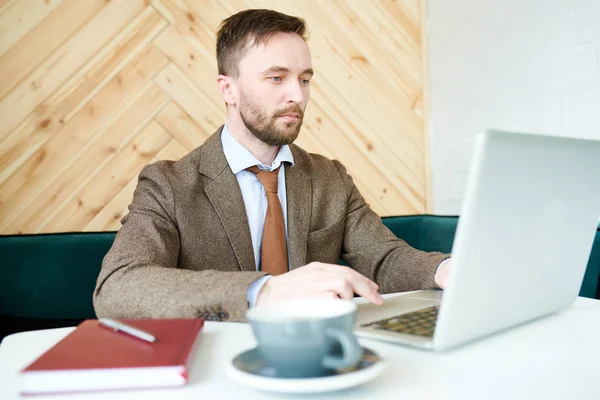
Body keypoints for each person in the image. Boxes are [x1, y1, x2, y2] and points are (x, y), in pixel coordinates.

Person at [93, 9, 451, 322]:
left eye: (305, 79)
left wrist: (444, 269)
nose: (297, 94)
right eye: (277, 78)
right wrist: (263, 291)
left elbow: (384, 259)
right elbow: (118, 287)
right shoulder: (168, 185)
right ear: (228, 89)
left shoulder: (330, 178)